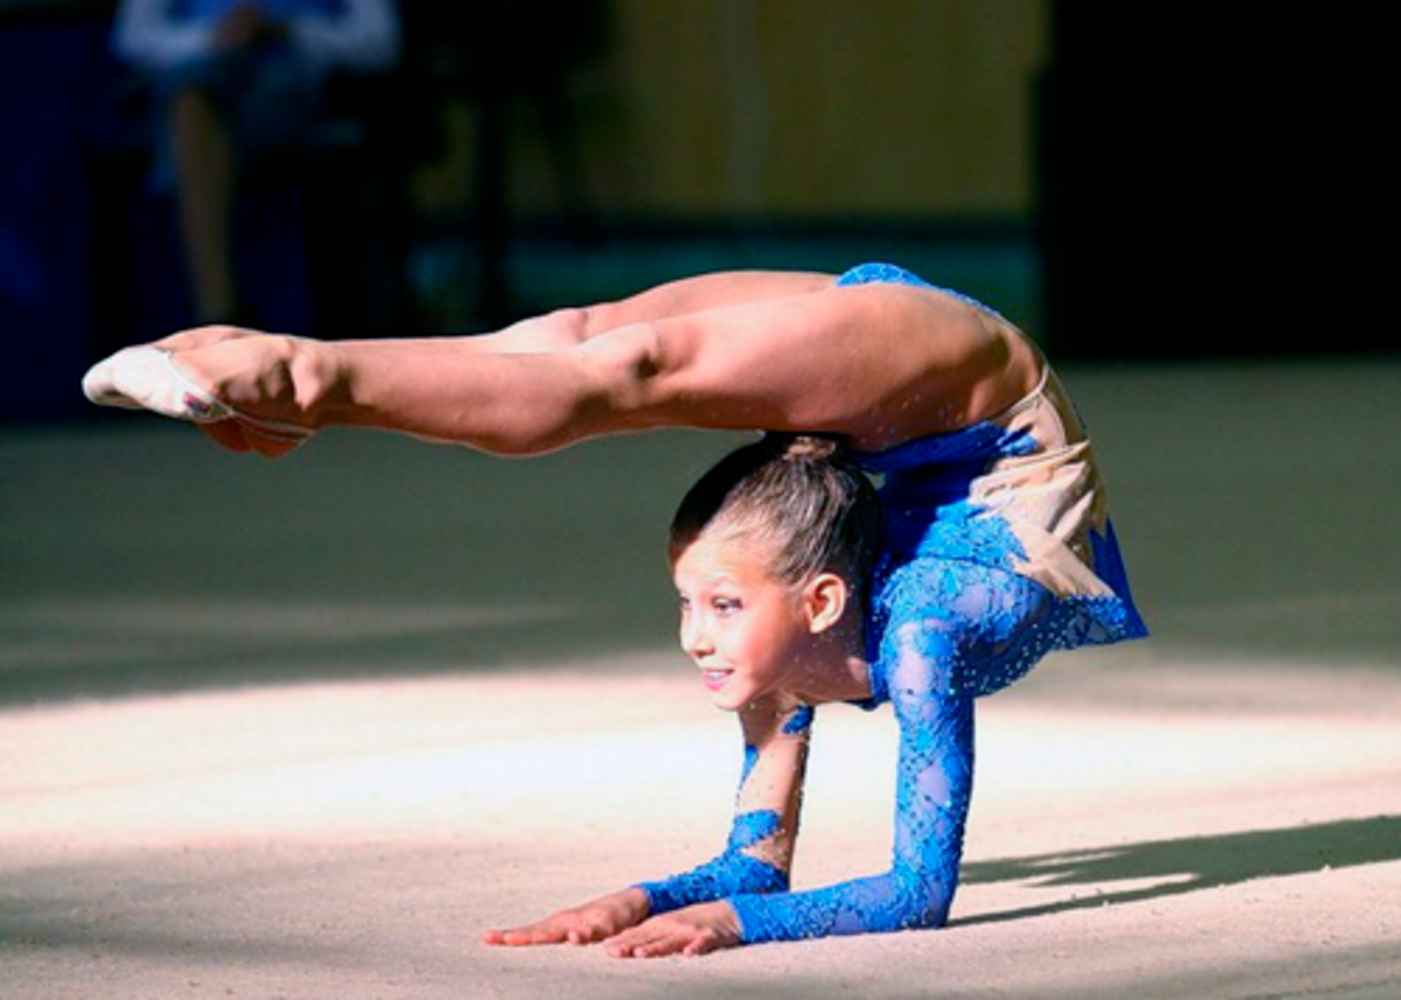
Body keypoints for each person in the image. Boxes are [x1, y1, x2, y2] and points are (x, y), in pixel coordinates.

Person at [81, 262, 1148, 956]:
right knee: (596, 344)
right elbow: (843, 883)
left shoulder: (859, 633)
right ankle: (281, 373)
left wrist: (667, 907)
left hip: (948, 413)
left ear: (816, 602)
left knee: (610, 354)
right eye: (702, 604)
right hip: (956, 398)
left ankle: (284, 377)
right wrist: (677, 905)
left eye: (720, 606)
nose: (698, 638)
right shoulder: (848, 625)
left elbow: (852, 886)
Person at [111, 0, 401, 325]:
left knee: (205, 112)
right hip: (197, 78)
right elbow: (133, 39)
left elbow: (380, 42)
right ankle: (221, 317)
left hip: (302, 90)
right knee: (191, 103)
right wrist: (216, 37)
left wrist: (287, 31)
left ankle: (227, 322)